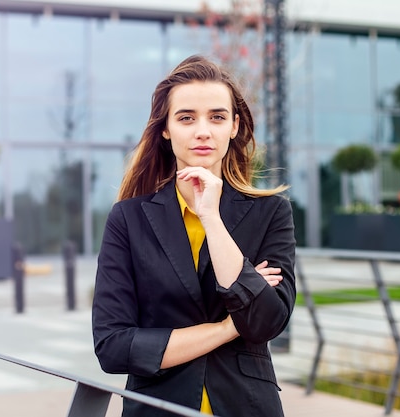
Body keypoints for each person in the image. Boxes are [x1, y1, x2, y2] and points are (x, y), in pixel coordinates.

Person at [92, 55, 296, 417]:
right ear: (166, 129)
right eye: (186, 118)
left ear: (234, 126)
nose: (203, 130)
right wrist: (226, 327)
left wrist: (211, 218)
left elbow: (267, 322)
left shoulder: (271, 213)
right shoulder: (128, 219)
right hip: (156, 408)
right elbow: (113, 346)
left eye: (217, 117)